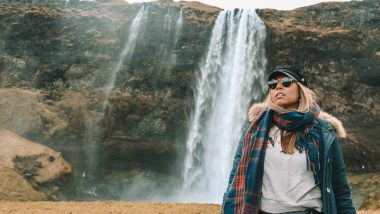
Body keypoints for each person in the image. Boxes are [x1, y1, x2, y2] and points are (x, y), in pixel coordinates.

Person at [221, 66, 356, 214]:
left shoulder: (323, 131)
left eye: (286, 82)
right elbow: (235, 178)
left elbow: (340, 188)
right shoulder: (254, 130)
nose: (278, 86)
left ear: (301, 89)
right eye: (272, 84)